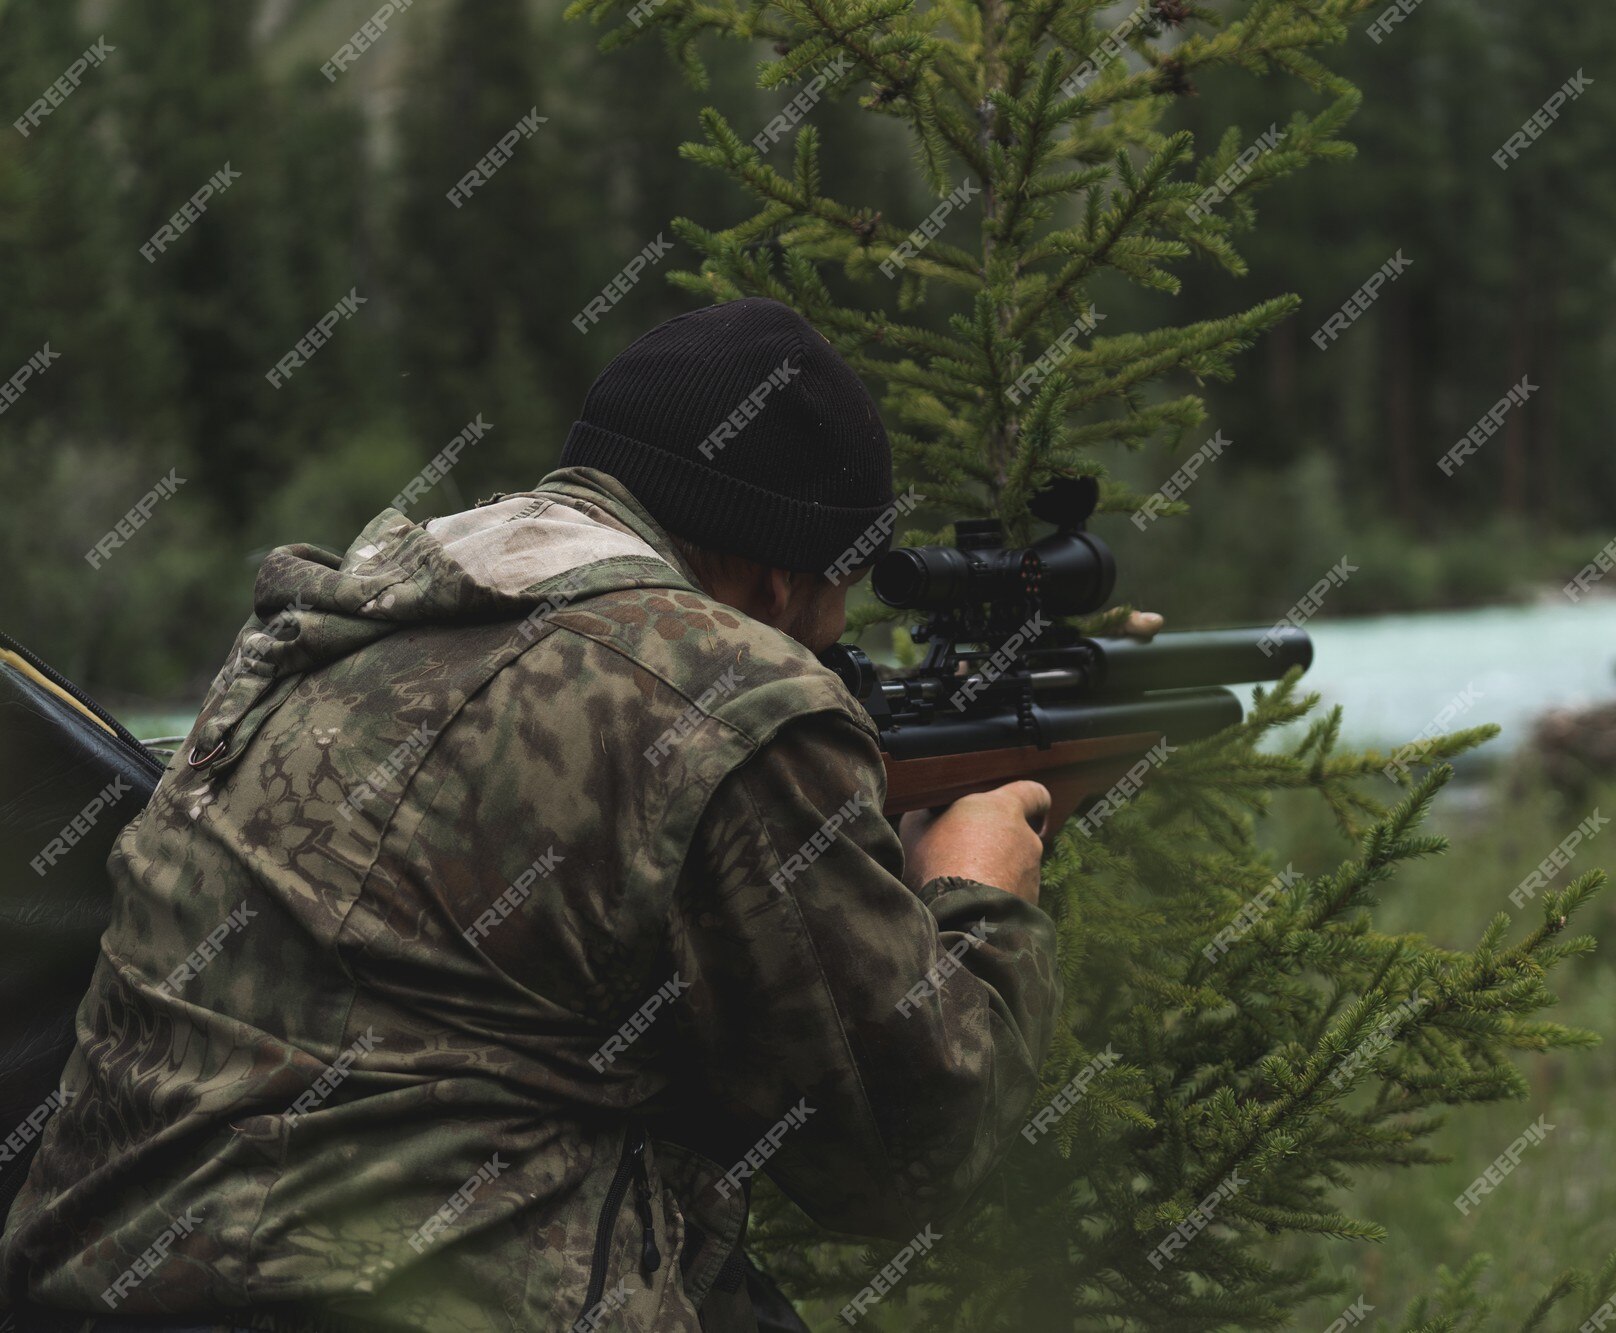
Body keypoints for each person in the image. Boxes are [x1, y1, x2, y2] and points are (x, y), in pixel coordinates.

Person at [0, 299, 1068, 1333]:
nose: (831, 654)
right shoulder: (730, 688)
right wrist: (974, 889)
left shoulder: (342, 616)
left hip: (90, 1284)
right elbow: (905, 1153)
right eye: (832, 622)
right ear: (778, 581)